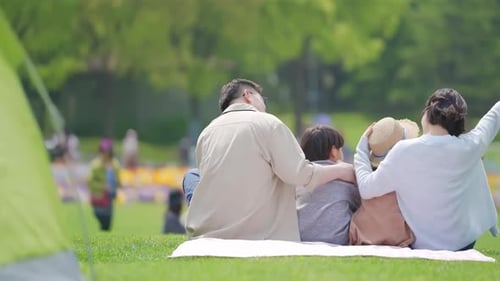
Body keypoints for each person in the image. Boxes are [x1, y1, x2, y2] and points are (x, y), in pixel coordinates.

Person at [184, 78, 355, 241]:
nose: (264, 104)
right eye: (262, 98)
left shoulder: (207, 132)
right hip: (258, 231)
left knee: (192, 175)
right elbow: (300, 175)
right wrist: (341, 169)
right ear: (248, 95)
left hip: (208, 229)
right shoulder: (268, 123)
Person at [354, 88, 499, 251]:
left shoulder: (403, 150)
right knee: (474, 159)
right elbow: (495, 114)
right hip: (463, 243)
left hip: (423, 244)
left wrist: (362, 149)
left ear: (428, 112)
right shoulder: (470, 145)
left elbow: (366, 188)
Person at [349, 117, 417, 247]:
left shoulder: (366, 176)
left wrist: (361, 149)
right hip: (398, 235)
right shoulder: (406, 173)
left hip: (362, 233)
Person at [296, 125, 361, 245]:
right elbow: (361, 203)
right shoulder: (345, 182)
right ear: (334, 151)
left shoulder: (299, 182)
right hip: (336, 241)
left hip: (302, 239)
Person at [87, 138, 121, 231]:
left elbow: (118, 180)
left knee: (107, 222)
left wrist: (117, 184)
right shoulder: (96, 165)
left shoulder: (115, 164)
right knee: (101, 216)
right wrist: (102, 187)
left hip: (109, 196)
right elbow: (90, 181)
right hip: (99, 196)